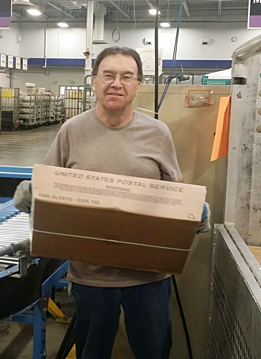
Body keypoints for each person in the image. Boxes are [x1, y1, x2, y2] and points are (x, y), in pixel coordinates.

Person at [14, 46, 208, 359]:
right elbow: (49, 188)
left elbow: (175, 192)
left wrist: (194, 212)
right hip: (92, 276)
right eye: (108, 75)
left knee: (155, 351)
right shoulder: (71, 131)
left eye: (126, 76)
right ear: (94, 81)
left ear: (137, 85)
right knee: (92, 353)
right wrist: (29, 194)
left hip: (150, 277)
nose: (116, 83)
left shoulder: (158, 134)